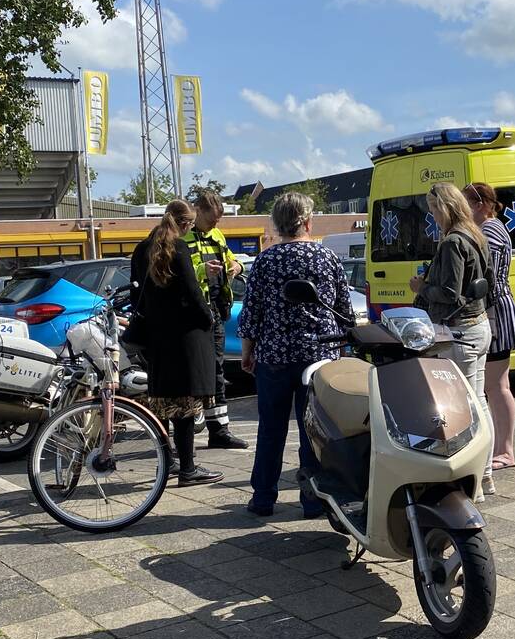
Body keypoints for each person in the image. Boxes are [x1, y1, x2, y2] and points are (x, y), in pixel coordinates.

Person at [238, 191, 353, 518]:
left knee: (271, 429)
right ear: (306, 221)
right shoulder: (326, 258)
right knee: (313, 430)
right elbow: (343, 309)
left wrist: (248, 351)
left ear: (278, 224)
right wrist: (341, 348)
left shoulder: (265, 260)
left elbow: (252, 313)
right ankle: (313, 500)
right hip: (318, 355)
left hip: (274, 355)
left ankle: (263, 498)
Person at [409, 182, 495, 500]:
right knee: (479, 403)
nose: (432, 216)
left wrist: (421, 287)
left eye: (433, 210)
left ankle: (472, 481)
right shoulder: (476, 234)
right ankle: (484, 476)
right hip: (480, 325)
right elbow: (489, 284)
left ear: (444, 207)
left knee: (463, 408)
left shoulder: (452, 242)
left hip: (459, 331)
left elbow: (449, 294)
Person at [133, 199, 223, 487]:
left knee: (164, 403)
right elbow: (192, 291)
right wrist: (208, 318)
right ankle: (188, 469)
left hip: (156, 338)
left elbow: (137, 298)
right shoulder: (178, 247)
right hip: (184, 337)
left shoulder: (142, 249)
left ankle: (168, 462)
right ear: (185, 223)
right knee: (185, 403)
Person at [464, 183, 515, 471]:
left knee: (497, 386)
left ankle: (506, 450)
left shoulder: (491, 231)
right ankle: (502, 447)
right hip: (495, 310)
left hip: (496, 312)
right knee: (495, 385)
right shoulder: (491, 229)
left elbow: (487, 277)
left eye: (465, 203)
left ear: (478, 204)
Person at [185, 191, 248, 450]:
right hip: (193, 314)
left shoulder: (217, 235)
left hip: (216, 310)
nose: (215, 225)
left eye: (218, 221)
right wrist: (202, 270)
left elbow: (232, 259)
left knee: (217, 371)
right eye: (212, 220)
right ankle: (185, 435)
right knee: (194, 375)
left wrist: (237, 267)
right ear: (197, 211)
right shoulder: (183, 236)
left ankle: (219, 431)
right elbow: (178, 269)